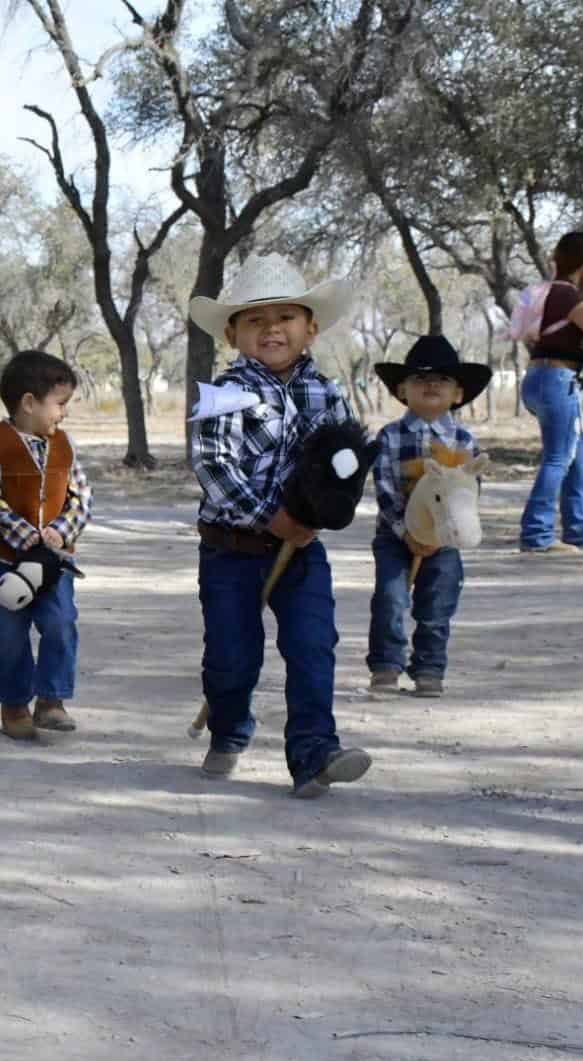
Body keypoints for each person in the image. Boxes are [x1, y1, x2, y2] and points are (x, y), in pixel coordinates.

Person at [187, 254, 372, 799]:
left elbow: (344, 461)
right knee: (231, 656)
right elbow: (214, 466)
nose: (272, 328)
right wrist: (274, 517)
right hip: (232, 548)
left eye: (286, 317)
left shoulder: (329, 393)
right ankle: (229, 726)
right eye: (255, 319)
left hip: (302, 551)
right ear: (232, 332)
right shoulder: (220, 394)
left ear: (310, 327)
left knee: (313, 645)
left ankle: (314, 753)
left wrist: (323, 512)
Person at [0, 350, 91, 739]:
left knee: (60, 623)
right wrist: (27, 537)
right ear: (28, 403)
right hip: (6, 560)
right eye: (60, 404)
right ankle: (14, 704)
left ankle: (52, 699)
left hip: (55, 562)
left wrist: (61, 530)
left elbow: (82, 497)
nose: (64, 414)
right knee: (9, 634)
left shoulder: (65, 445)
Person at [366, 335, 491, 699]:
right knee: (390, 598)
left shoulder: (465, 442)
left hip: (445, 540)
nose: (431, 384)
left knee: (438, 602)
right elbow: (385, 490)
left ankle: (430, 667)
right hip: (395, 537)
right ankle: (387, 665)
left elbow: (468, 493)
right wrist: (407, 532)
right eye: (420, 379)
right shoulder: (389, 437)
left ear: (457, 393)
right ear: (403, 390)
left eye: (442, 379)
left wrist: (444, 533)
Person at [518, 231, 583, 553]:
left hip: (538, 377)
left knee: (575, 455)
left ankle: (579, 530)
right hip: (557, 379)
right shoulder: (571, 298)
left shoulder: (544, 294)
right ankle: (536, 534)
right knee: (559, 457)